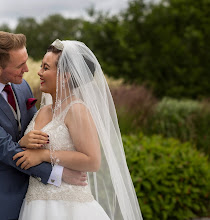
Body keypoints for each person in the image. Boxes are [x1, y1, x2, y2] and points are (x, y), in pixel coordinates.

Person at [0, 32, 87, 220]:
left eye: (26, 61)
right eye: (20, 65)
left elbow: (39, 129)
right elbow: (4, 149)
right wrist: (57, 174)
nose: (27, 69)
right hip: (4, 198)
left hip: (40, 195)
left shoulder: (21, 85)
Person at [13, 39, 143, 220]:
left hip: (68, 208)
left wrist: (43, 155)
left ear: (65, 76)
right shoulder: (42, 110)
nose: (39, 72)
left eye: (46, 67)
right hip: (34, 206)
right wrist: (22, 142)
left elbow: (92, 161)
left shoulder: (76, 109)